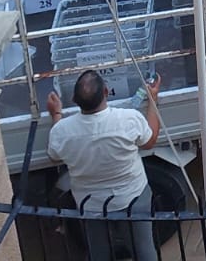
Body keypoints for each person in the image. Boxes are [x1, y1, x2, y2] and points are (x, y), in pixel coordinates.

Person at [45, 69, 162, 261]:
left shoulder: (62, 131)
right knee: (143, 250)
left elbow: (55, 156)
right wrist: (152, 99)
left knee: (98, 252)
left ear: (74, 100)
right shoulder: (129, 119)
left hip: (90, 204)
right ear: (106, 92)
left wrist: (57, 114)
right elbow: (149, 141)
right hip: (132, 197)